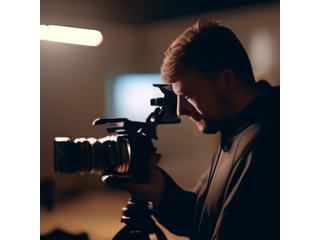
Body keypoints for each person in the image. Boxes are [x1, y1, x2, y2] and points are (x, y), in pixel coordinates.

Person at [104, 19, 280, 240]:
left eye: (187, 96)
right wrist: (160, 192)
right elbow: (204, 217)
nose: (180, 110)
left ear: (226, 80)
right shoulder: (236, 132)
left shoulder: (265, 143)